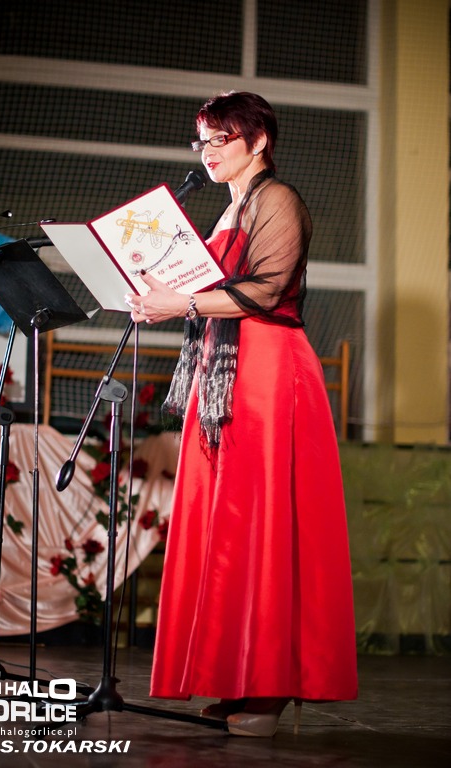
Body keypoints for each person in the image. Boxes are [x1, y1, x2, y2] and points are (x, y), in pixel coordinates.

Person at [125, 91, 357, 738]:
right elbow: (206, 292)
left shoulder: (276, 199)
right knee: (228, 528)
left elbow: (267, 290)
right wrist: (154, 293)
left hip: (268, 372)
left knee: (265, 523)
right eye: (201, 140)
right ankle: (237, 676)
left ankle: (273, 684)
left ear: (258, 142)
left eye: (220, 138)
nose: (208, 151)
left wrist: (182, 304)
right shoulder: (227, 209)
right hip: (224, 373)